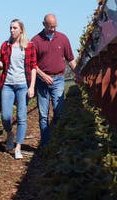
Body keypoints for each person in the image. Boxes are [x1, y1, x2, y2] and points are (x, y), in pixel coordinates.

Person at [0, 19, 37, 159]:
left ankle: (18, 147)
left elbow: (33, 67)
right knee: (5, 116)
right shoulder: (5, 45)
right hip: (8, 85)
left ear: (21, 30)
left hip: (23, 85)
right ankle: (10, 133)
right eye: (10, 28)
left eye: (15, 28)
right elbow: (4, 65)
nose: (12, 30)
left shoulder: (29, 46)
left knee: (22, 117)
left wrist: (32, 86)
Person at [31, 13, 76, 147]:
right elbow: (32, 64)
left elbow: (71, 59)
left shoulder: (63, 38)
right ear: (43, 24)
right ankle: (45, 145)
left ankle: (56, 140)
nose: (53, 29)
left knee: (59, 110)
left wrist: (78, 73)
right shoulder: (35, 41)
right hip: (42, 82)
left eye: (55, 26)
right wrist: (43, 75)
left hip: (58, 79)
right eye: (50, 27)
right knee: (43, 114)